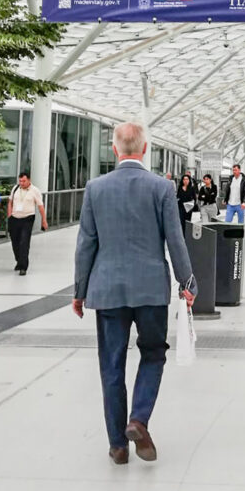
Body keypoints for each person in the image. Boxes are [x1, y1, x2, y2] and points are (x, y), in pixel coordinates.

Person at [73, 121, 196, 465]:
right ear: (144, 149)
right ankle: (138, 420)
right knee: (153, 354)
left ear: (115, 149)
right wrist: (187, 283)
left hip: (107, 289)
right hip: (151, 289)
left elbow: (86, 244)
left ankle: (117, 446)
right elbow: (175, 239)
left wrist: (80, 291)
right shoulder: (162, 187)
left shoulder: (95, 188)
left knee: (111, 364)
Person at [7, 170, 48, 275]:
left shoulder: (35, 191)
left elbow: (40, 206)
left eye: (24, 181)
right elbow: (10, 202)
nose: (21, 183)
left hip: (27, 218)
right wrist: (9, 215)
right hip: (14, 218)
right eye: (20, 181)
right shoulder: (15, 188)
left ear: (29, 180)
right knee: (15, 242)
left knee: (24, 242)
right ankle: (19, 260)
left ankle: (23, 266)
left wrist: (44, 220)